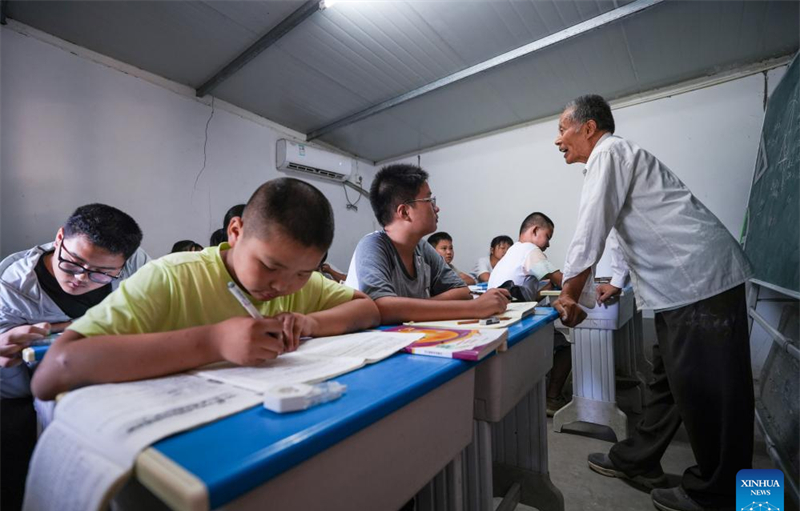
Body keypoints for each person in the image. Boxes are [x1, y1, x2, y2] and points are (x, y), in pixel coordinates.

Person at [553, 94, 754, 511]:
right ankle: (637, 461)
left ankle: (731, 500)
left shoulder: (608, 153)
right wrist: (614, 283)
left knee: (716, 397)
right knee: (668, 381)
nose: (558, 140)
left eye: (562, 129)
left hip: (699, 283)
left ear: (589, 128)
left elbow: (593, 224)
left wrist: (570, 292)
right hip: (685, 287)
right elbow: (633, 232)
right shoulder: (622, 157)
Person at [32, 179, 379, 401]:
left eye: (303, 273)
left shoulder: (297, 283)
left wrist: (310, 324)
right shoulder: (171, 277)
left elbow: (367, 309)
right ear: (235, 231)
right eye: (269, 266)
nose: (283, 286)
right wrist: (214, 342)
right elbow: (52, 374)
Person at [0, 203, 148, 511]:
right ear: (59, 238)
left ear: (122, 266)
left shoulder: (137, 266)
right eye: (72, 262)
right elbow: (14, 385)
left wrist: (61, 327)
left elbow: (153, 313)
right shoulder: (13, 288)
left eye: (100, 273)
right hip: (35, 391)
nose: (80, 278)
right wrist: (6, 349)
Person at [346, 163, 509, 325]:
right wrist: (473, 308)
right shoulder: (373, 245)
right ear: (404, 212)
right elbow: (382, 307)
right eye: (429, 200)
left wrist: (413, 308)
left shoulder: (421, 248)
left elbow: (461, 291)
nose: (436, 208)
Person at [487, 212, 573, 415]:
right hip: (514, 324)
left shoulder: (512, 253)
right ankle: (551, 400)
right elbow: (560, 279)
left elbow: (525, 295)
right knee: (565, 348)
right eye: (548, 236)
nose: (548, 244)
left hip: (500, 320)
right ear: (535, 231)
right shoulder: (529, 250)